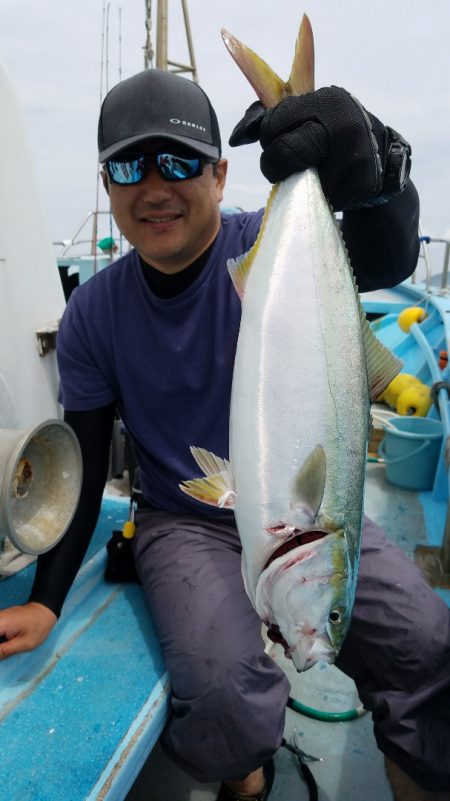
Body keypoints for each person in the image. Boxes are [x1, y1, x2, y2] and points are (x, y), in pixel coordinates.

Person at [0, 68, 449, 801]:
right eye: (127, 166)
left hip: (314, 513)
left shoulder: (274, 245)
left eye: (178, 162)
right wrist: (48, 599)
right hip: (187, 516)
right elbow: (82, 459)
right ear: (107, 185)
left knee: (426, 647)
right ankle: (249, 777)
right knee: (223, 696)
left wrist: (377, 168)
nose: (154, 187)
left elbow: (387, 253)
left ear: (221, 173)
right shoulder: (95, 316)